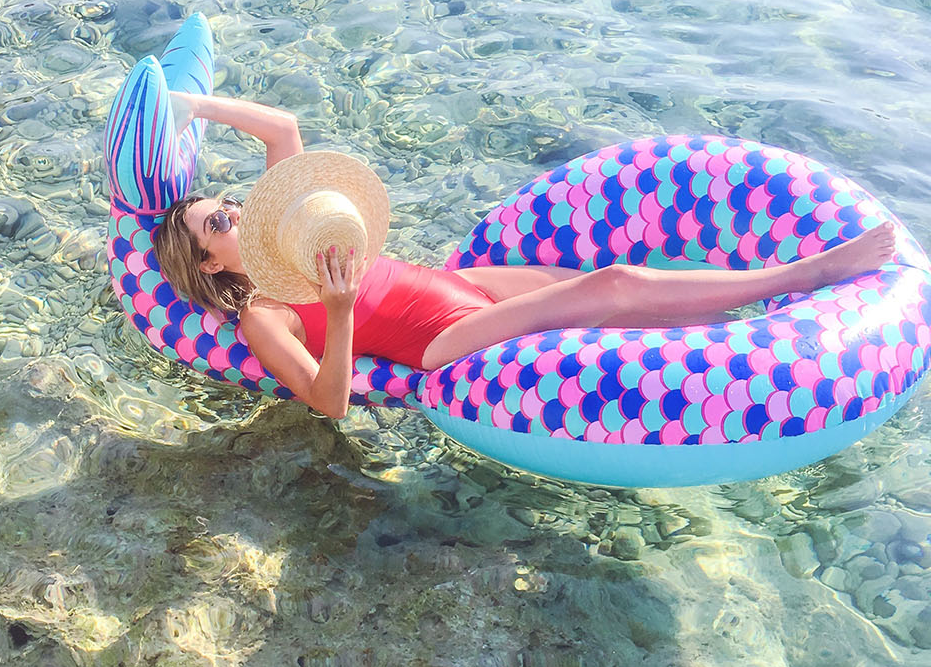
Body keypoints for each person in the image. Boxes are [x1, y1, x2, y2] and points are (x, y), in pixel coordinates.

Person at [152, 92, 896, 420]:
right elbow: (329, 403)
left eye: (227, 203)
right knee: (615, 285)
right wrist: (340, 310)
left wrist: (194, 107)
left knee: (599, 299)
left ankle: (726, 323)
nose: (238, 212)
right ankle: (813, 274)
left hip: (454, 284)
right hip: (440, 342)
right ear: (212, 264)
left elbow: (282, 129)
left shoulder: (293, 233)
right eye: (219, 222)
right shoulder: (265, 313)